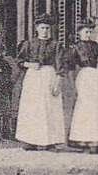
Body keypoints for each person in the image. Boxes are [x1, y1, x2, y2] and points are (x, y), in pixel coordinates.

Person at [66, 21, 98, 154]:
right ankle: (82, 139)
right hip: (85, 76)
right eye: (86, 32)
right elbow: (71, 67)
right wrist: (72, 85)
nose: (88, 35)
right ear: (79, 33)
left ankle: (97, 139)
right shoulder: (75, 47)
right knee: (85, 107)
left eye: (90, 32)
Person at [15, 15, 66, 151]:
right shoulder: (29, 44)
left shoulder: (56, 46)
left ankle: (50, 141)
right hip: (33, 78)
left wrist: (57, 84)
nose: (45, 31)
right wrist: (30, 65)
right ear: (37, 29)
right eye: (42, 28)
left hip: (49, 76)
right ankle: (30, 140)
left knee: (50, 108)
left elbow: (61, 67)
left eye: (47, 28)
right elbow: (19, 61)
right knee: (32, 109)